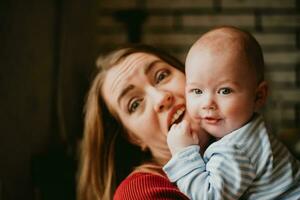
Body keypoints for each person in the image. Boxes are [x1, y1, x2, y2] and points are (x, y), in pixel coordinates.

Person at [163, 26, 300, 200]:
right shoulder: (249, 130)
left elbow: (208, 196)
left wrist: (183, 153)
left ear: (259, 96)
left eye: (225, 91)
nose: (208, 104)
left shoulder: (236, 149)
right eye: (197, 91)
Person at [76, 44, 213, 200]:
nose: (161, 98)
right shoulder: (140, 193)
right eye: (135, 104)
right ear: (133, 136)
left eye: (161, 76)